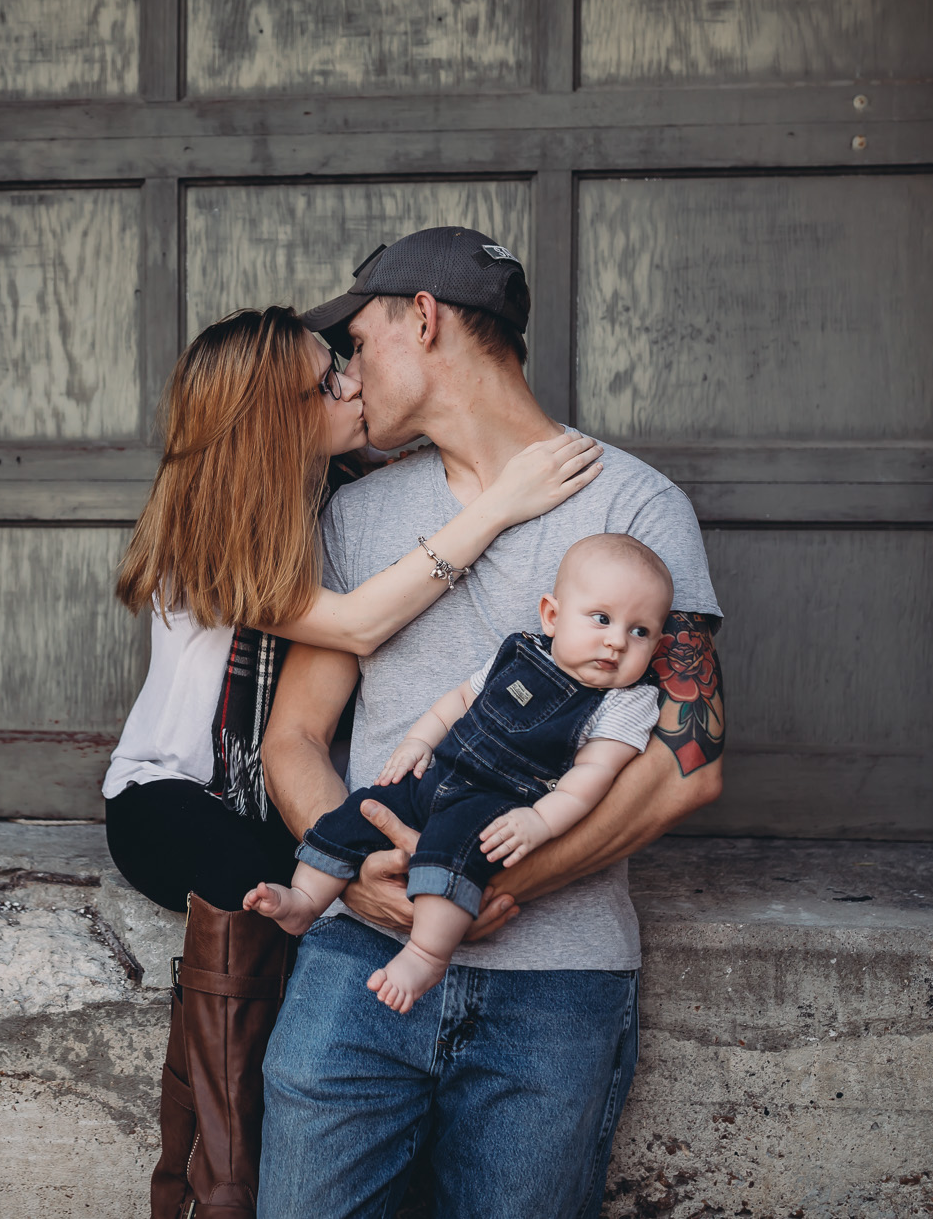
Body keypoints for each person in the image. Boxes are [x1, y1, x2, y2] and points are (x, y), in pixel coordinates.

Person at [255, 227, 728, 1219]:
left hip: (553, 990)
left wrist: (456, 895)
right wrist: (371, 891)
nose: (344, 371)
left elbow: (685, 760)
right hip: (355, 962)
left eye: (358, 338)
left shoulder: (640, 507)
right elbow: (294, 739)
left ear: (420, 318)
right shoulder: (358, 516)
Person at [105, 305, 603, 1219]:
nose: (350, 383)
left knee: (310, 857)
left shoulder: (328, 500)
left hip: (259, 798)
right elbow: (361, 621)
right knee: (262, 883)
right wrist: (503, 502)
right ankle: (223, 1178)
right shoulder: (211, 527)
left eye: (344, 365)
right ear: (273, 416)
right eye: (324, 381)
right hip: (169, 801)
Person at [245, 533, 674, 1014]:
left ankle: (426, 954)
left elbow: (594, 774)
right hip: (437, 773)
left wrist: (541, 822)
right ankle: (305, 899)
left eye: (640, 632)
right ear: (552, 616)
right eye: (601, 619)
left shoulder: (625, 701)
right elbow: (457, 702)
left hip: (494, 801)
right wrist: (417, 742)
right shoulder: (518, 652)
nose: (617, 641)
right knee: (354, 813)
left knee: (449, 853)